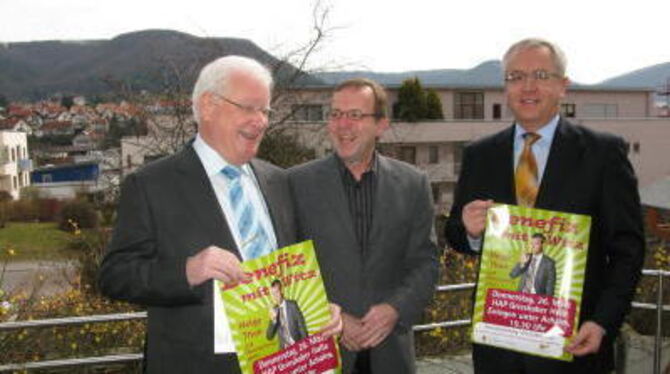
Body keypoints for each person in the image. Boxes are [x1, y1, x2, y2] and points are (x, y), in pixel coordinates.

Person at [98, 55, 341, 374]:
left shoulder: (279, 180)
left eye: (265, 110)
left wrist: (320, 308)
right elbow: (115, 276)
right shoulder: (151, 184)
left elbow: (293, 271)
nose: (262, 121)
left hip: (285, 363)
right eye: (249, 107)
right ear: (209, 105)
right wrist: (186, 271)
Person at [445, 38, 645, 374]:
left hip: (575, 344)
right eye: (515, 77)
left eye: (541, 74)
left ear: (563, 86)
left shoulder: (603, 154)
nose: (527, 86)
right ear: (504, 88)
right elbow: (455, 235)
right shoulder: (480, 154)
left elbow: (628, 250)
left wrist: (602, 322)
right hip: (499, 346)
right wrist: (469, 231)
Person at [288, 78, 439, 374]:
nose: (343, 125)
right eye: (335, 114)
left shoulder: (413, 183)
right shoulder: (294, 183)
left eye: (355, 115)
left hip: (390, 351)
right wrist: (336, 318)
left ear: (381, 124)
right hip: (323, 351)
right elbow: (285, 267)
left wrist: (395, 309)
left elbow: (426, 263)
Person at [266, 279, 308, 349]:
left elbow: (302, 327)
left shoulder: (292, 305)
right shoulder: (273, 311)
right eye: (272, 294)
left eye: (276, 292)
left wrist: (305, 345)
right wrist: (273, 320)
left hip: (297, 345)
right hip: (284, 351)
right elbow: (269, 336)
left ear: (281, 291)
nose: (274, 296)